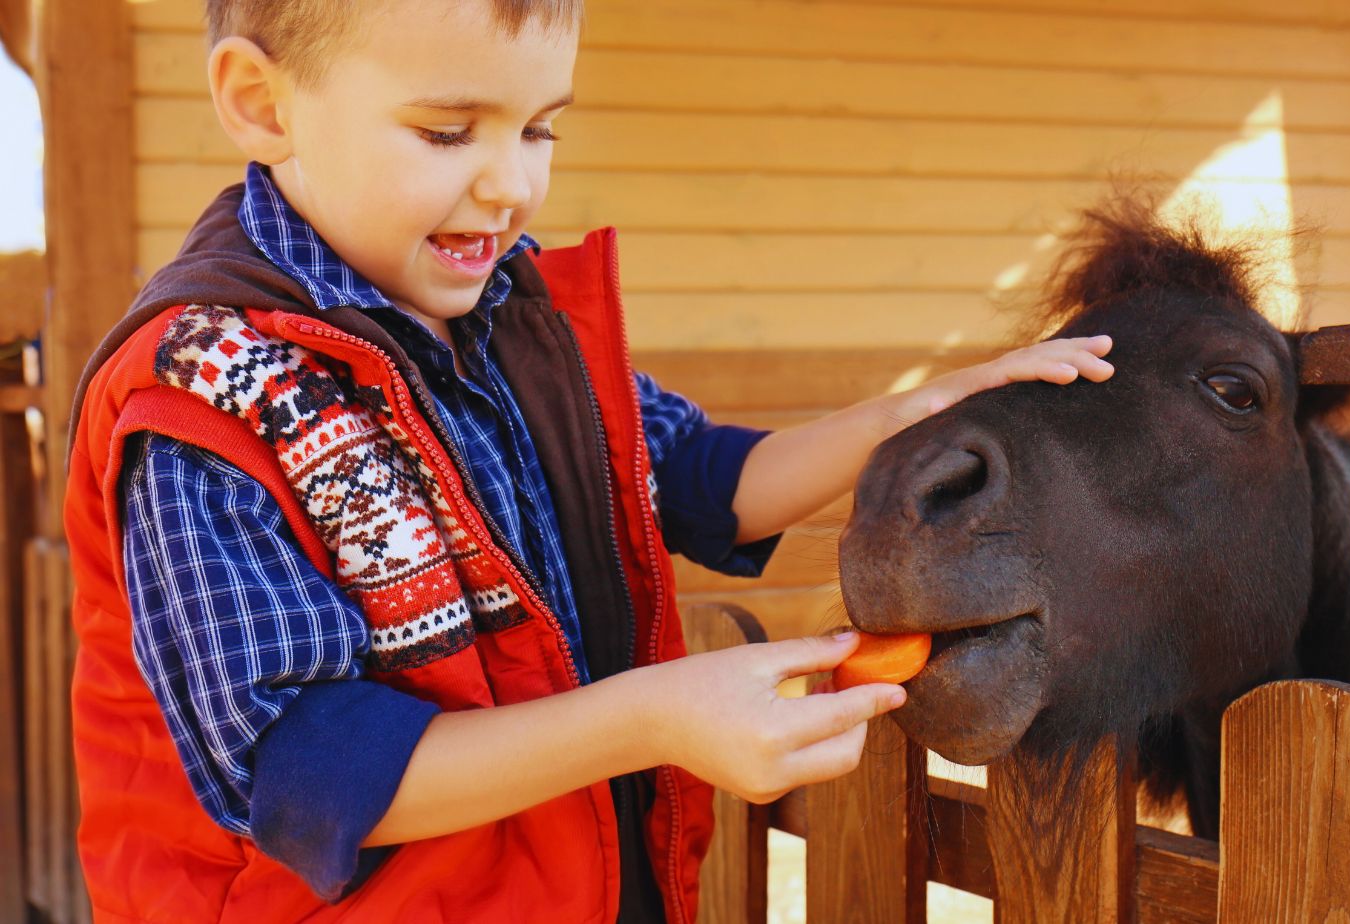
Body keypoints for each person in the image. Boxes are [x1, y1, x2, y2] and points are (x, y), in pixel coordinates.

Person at [62, 0, 1115, 920]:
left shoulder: (517, 321)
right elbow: (313, 774)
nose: (510, 184)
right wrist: (650, 719)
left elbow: (707, 483)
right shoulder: (201, 394)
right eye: (445, 131)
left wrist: (915, 414)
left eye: (538, 127)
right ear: (262, 102)